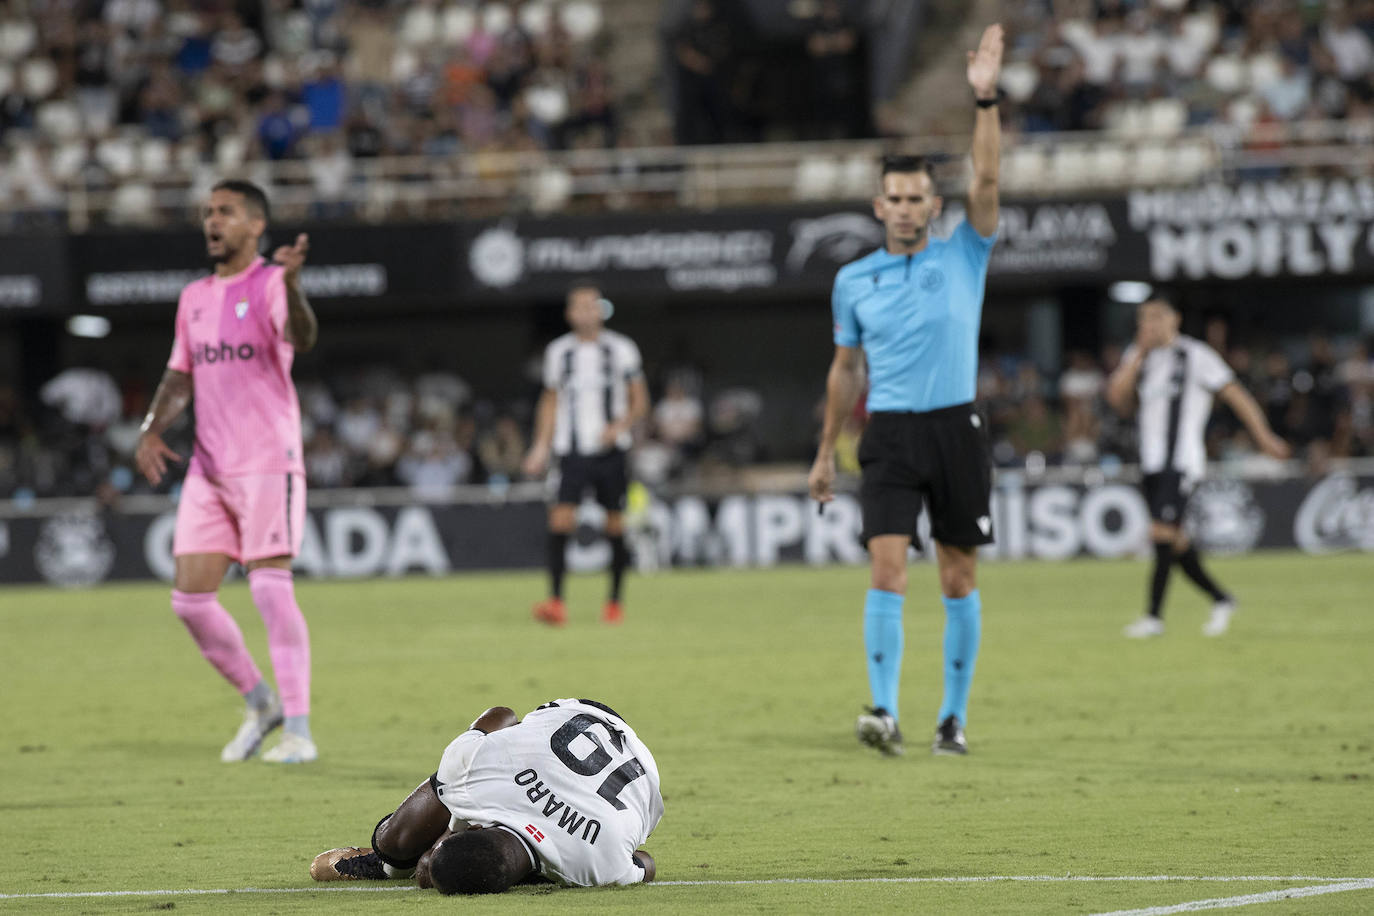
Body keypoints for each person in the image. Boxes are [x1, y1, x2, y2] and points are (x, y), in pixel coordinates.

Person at [808, 24, 1005, 758]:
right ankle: (883, 712)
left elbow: (987, 181)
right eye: (893, 196)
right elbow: (843, 371)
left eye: (916, 196)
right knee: (886, 566)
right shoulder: (852, 281)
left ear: (931, 203)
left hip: (957, 427)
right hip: (886, 431)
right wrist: (826, 450)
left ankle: (951, 718)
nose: (904, 207)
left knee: (958, 575)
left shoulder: (965, 252)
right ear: (877, 203)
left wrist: (985, 99)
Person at [134, 179, 320, 763]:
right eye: (208, 212)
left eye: (226, 212)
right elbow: (180, 374)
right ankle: (259, 701)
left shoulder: (269, 284)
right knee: (190, 601)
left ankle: (299, 730)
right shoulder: (193, 297)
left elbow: (302, 336)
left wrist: (292, 283)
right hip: (209, 469)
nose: (212, 221)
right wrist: (151, 426)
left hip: (268, 461)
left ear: (255, 225)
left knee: (269, 586)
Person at [310, 698, 662, 894]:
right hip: (577, 717)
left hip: (639, 772)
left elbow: (645, 862)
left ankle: (389, 861)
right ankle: (389, 858)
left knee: (407, 842)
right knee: (401, 837)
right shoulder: (474, 763)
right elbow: (503, 715)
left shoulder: (601, 863)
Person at [1106, 297, 1290, 638]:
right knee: (1174, 542)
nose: (1151, 325)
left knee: (1160, 533)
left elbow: (1236, 394)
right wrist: (1138, 357)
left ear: (1174, 319)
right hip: (1151, 462)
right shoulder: (1139, 356)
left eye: (1157, 317)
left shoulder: (1196, 355)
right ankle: (1221, 599)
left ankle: (1153, 617)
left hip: (1182, 462)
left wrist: (1263, 437)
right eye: (1144, 319)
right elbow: (1117, 400)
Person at [522, 282, 649, 626]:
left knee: (614, 524)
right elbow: (550, 402)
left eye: (591, 306)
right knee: (560, 520)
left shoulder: (621, 349)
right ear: (569, 313)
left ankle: (614, 603)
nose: (585, 312)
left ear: (601, 309)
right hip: (571, 451)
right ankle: (556, 602)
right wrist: (540, 446)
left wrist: (618, 427)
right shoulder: (558, 352)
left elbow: (640, 401)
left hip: (611, 452)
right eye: (578, 307)